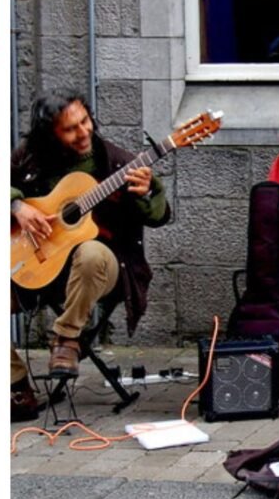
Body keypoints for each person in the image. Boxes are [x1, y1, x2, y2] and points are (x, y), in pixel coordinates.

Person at [10, 90, 171, 377]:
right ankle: (17, 384)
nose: (84, 132)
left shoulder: (119, 163)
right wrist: (17, 205)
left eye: (85, 122)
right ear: (50, 134)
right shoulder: (28, 158)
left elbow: (158, 216)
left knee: (91, 253)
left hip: (101, 270)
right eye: (70, 129)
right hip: (43, 265)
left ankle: (67, 339)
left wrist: (147, 191)